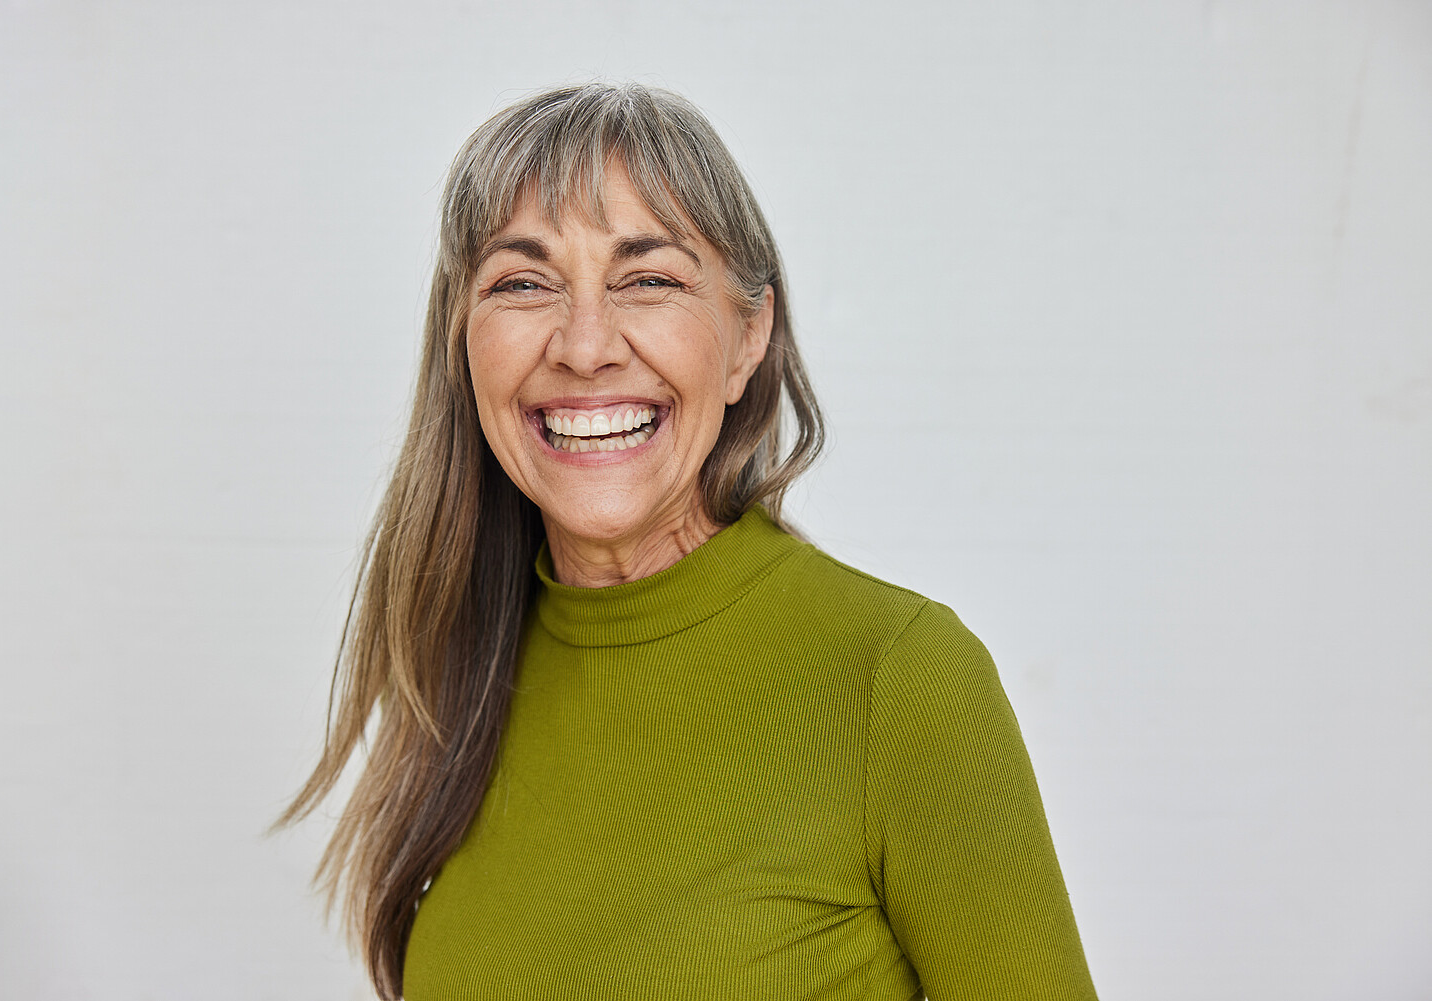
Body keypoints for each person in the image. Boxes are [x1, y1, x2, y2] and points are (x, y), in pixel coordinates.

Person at [280, 82, 1098, 1000]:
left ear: (749, 334)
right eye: (523, 281)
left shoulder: (899, 677)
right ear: (464, 340)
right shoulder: (459, 685)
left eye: (649, 278)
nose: (585, 346)